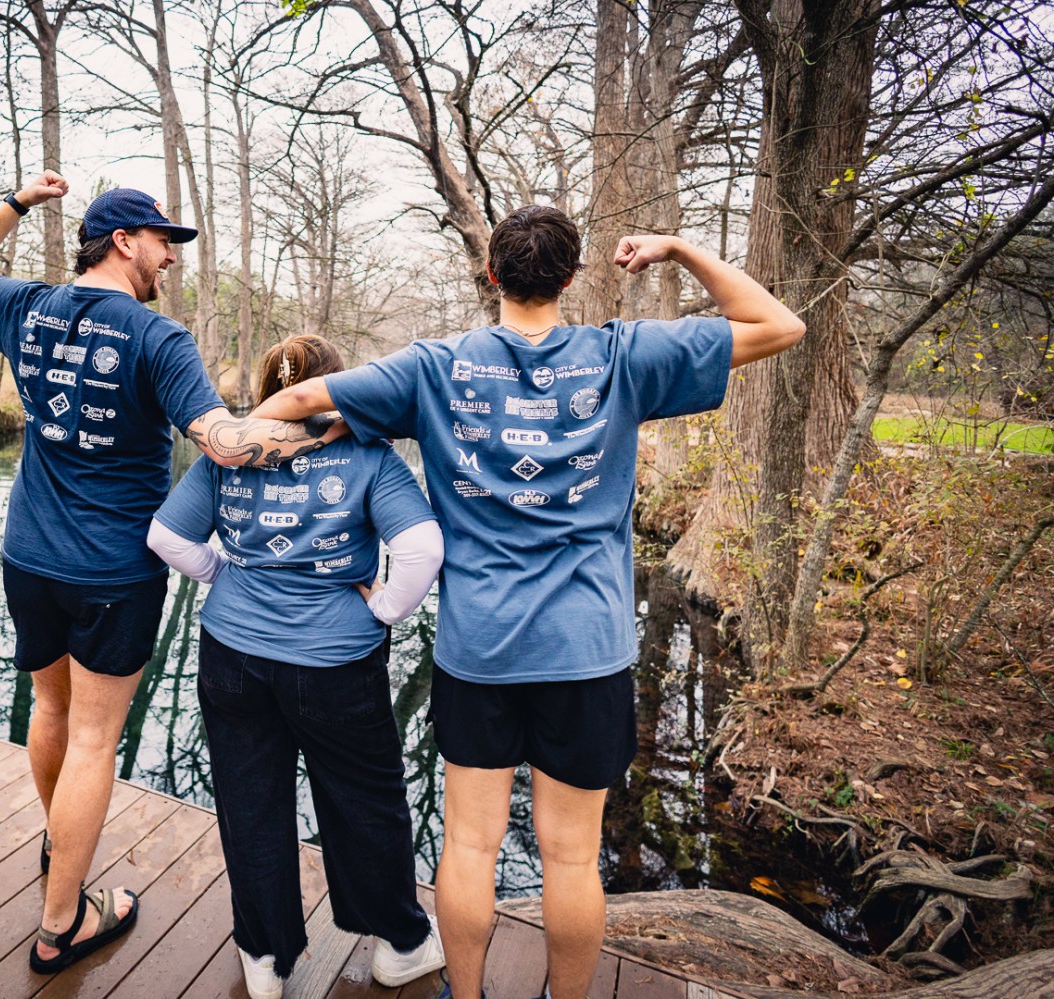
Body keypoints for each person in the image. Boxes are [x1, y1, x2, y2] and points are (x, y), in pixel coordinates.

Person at [250, 210, 805, 999]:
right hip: (588, 648)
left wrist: (246, 480)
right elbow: (781, 323)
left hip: (479, 648)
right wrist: (678, 248)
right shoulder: (625, 355)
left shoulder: (434, 367)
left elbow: (298, 395)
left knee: (471, 846)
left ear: (492, 273)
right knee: (574, 856)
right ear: (572, 279)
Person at [0, 173, 348, 977]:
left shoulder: (26, 306)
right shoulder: (157, 340)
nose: (170, 257)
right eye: (164, 241)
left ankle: (61, 851)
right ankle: (63, 923)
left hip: (27, 554)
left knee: (48, 709)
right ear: (125, 243)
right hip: (111, 570)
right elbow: (225, 443)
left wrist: (18, 204)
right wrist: (327, 434)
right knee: (94, 739)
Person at [147, 334, 447, 999]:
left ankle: (263, 957)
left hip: (232, 656)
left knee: (250, 804)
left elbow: (166, 536)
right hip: (334, 663)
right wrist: (386, 610)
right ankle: (402, 944)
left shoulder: (233, 450)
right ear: (335, 388)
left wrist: (222, 572)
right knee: (364, 804)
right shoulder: (366, 451)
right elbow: (423, 548)